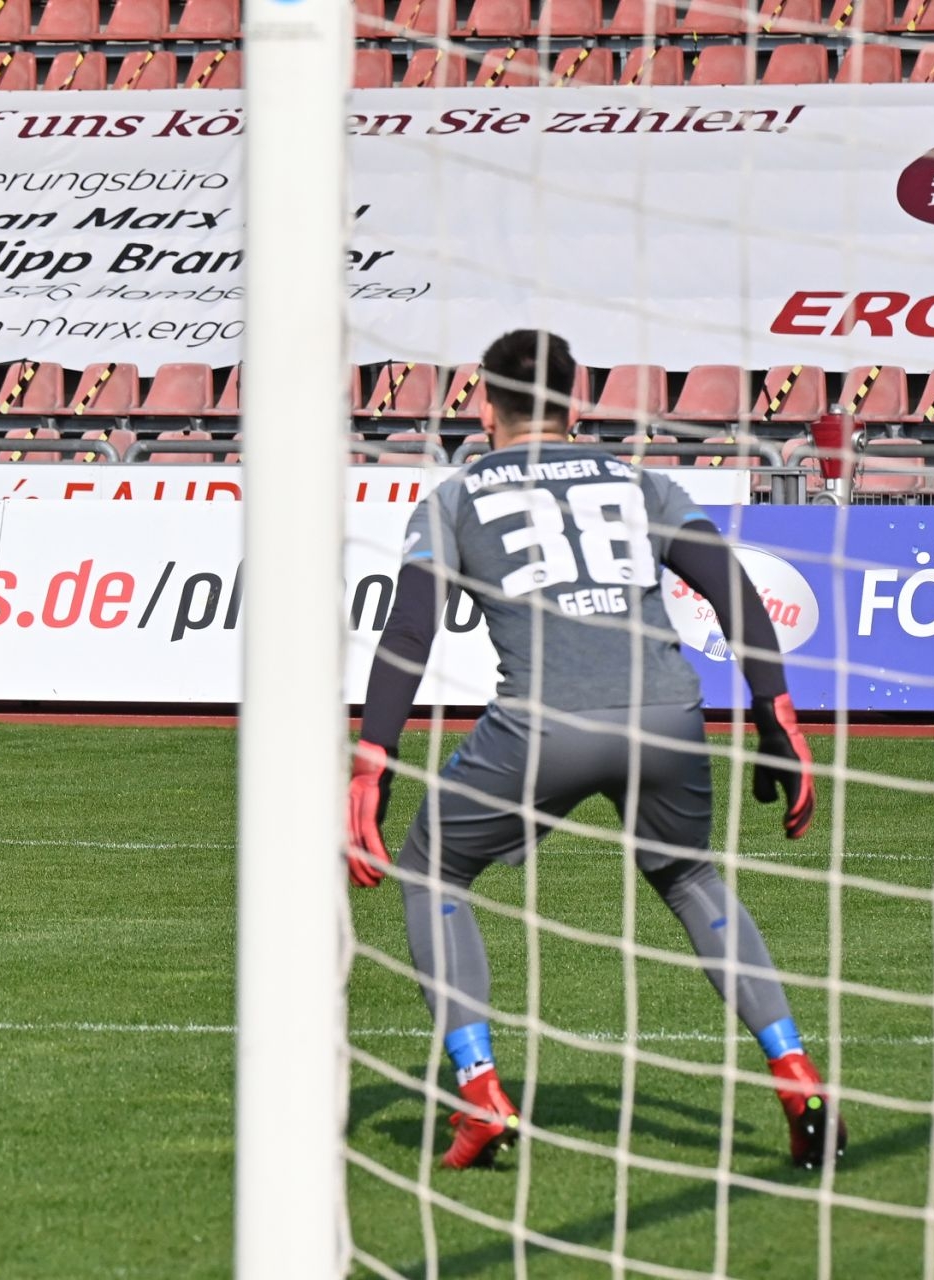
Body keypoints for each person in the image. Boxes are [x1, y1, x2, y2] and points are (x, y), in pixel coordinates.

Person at [346, 330, 842, 1171]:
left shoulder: (454, 497)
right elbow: (729, 583)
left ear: (483, 407)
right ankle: (794, 1069)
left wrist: (372, 760)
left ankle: (479, 1090)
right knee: (689, 876)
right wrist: (777, 712)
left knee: (433, 870)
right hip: (668, 715)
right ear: (577, 403)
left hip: (546, 724)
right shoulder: (639, 481)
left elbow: (411, 627)